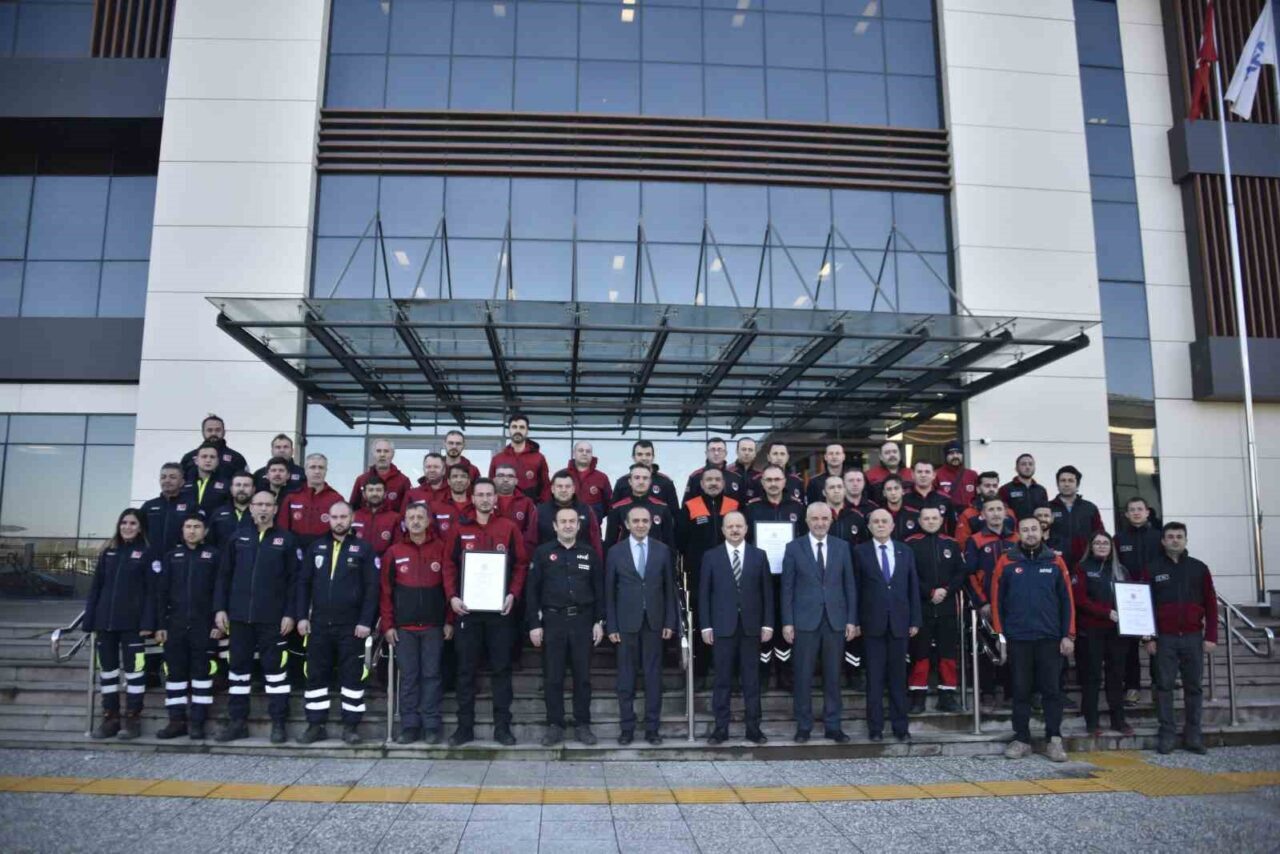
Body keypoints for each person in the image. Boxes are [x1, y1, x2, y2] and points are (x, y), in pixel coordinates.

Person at [443, 478, 529, 746]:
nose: (483, 499)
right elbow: (448, 565)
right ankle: (464, 728)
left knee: (501, 670)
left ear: (495, 499)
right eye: (479, 494)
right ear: (472, 498)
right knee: (466, 671)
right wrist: (452, 597)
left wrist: (513, 594)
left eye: (488, 495)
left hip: (500, 613)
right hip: (467, 612)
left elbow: (521, 564)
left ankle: (502, 727)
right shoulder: (459, 529)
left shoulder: (509, 527)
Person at [213, 491, 299, 744]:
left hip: (273, 619)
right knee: (238, 672)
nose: (263, 508)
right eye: (258, 504)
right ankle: (237, 722)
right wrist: (220, 608)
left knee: (275, 673)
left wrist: (290, 613)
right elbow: (224, 576)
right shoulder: (238, 537)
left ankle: (278, 723)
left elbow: (295, 582)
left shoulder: (286, 540)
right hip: (239, 618)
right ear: (250, 508)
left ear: (275, 509)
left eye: (268, 504)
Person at [991, 516, 1075, 763]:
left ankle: (1054, 739)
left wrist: (1068, 634)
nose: (1030, 533)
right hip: (1018, 638)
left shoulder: (1055, 561)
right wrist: (1000, 636)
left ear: (1042, 532)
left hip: (1049, 638)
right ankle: (1022, 739)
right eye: (1025, 529)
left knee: (1052, 690)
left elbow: (1067, 600)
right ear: (1018, 533)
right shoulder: (1006, 561)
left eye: (1034, 529)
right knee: (1020, 690)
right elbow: (997, 602)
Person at [297, 501, 379, 745]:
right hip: (319, 624)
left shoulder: (364, 549)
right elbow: (303, 584)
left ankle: (350, 727)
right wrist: (302, 616)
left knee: (352, 676)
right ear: (328, 519)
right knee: (315, 676)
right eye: (335, 516)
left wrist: (366, 621)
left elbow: (372, 589)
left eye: (344, 516)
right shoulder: (316, 547)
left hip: (352, 625)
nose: (339, 521)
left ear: (351, 518)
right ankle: (315, 725)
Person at [527, 506, 605, 746]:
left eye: (573, 521)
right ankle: (555, 725)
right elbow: (532, 591)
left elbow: (599, 590)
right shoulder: (542, 553)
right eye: (564, 521)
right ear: (555, 526)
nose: (568, 525)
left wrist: (598, 622)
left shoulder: (589, 553)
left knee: (582, 677)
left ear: (579, 525)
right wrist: (533, 624)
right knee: (553, 677)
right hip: (553, 621)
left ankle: (583, 725)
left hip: (582, 621)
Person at [781, 502, 857, 743]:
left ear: (831, 520)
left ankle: (833, 726)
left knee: (833, 677)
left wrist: (852, 620)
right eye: (815, 518)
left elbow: (850, 587)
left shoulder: (843, 547)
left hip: (835, 621)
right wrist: (787, 622)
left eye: (824, 518)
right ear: (807, 521)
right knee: (802, 675)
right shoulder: (793, 548)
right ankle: (804, 726)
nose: (820, 523)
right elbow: (787, 588)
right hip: (804, 621)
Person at [605, 504, 677, 745]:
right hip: (625, 624)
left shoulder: (663, 550)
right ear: (626, 524)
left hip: (655, 623)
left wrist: (670, 620)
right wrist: (611, 626)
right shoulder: (615, 552)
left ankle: (652, 729)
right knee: (626, 678)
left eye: (645, 521)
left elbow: (670, 588)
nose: (640, 525)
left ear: (651, 523)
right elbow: (609, 592)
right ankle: (627, 728)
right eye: (635, 521)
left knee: (653, 678)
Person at [382, 503, 453, 745]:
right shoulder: (394, 551)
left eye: (419, 517)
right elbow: (386, 592)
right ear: (404, 522)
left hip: (434, 627)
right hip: (405, 629)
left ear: (428, 521)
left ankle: (431, 725)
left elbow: (449, 588)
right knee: (409, 677)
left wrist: (449, 621)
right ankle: (410, 726)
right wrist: (388, 625)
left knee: (432, 676)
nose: (415, 521)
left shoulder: (441, 549)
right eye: (411, 517)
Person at [699, 511, 773, 745]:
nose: (734, 530)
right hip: (722, 627)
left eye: (738, 526)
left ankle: (754, 729)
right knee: (722, 680)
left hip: (751, 628)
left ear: (746, 529)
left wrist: (768, 623)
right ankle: (720, 729)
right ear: (722, 530)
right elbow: (704, 594)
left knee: (751, 680)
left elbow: (767, 594)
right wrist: (705, 626)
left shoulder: (759, 556)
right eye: (730, 526)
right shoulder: (711, 556)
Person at [85, 509, 156, 740]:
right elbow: (96, 587)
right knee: (108, 673)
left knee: (135, 672)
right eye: (124, 522)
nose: (127, 526)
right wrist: (90, 619)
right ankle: (110, 718)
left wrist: (148, 622)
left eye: (132, 523)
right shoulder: (109, 552)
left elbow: (151, 593)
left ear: (140, 527)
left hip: (133, 625)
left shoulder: (146, 553)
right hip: (105, 623)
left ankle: (133, 718)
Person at [1147, 522, 1217, 755]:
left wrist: (1211, 636)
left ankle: (1193, 736)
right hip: (1164, 639)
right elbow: (1145, 607)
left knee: (1194, 688)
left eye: (1179, 536)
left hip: (1193, 638)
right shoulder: (1153, 569)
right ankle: (1167, 734)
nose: (1175, 540)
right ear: (1163, 541)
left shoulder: (1199, 568)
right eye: (1170, 536)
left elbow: (1210, 604)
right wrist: (1148, 637)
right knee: (1164, 687)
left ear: (1186, 540)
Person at [854, 508, 921, 742]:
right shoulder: (860, 552)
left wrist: (914, 620)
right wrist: (855, 621)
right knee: (874, 679)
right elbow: (856, 589)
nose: (880, 525)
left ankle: (900, 727)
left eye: (885, 521)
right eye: (876, 521)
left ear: (893, 526)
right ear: (869, 526)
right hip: (872, 625)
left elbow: (913, 587)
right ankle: (875, 729)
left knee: (898, 678)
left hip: (900, 624)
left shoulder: (905, 551)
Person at [154, 514, 221, 740]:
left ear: (205, 531)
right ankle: (176, 721)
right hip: (175, 625)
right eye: (188, 527)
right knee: (175, 674)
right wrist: (160, 624)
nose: (192, 531)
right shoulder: (172, 557)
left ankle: (197, 722)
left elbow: (220, 591)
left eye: (197, 527)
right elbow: (161, 594)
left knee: (201, 673)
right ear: (182, 530)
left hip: (204, 625)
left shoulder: (213, 556)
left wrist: (217, 623)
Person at [745, 465, 806, 690]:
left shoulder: (797, 508)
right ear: (762, 483)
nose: (772, 483)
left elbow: (803, 540)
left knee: (785, 623)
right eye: (768, 479)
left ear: (784, 482)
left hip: (789, 575)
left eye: (777, 479)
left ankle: (784, 674)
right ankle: (761, 674)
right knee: (763, 623)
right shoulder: (752, 508)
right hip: (761, 575)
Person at [678, 467, 740, 686]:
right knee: (700, 624)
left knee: (731, 624)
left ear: (723, 482)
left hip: (731, 576)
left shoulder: (734, 505)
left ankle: (731, 676)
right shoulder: (690, 506)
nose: (713, 483)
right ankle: (701, 673)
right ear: (701, 484)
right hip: (698, 578)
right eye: (709, 480)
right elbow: (681, 543)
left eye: (717, 479)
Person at [1073, 531, 1136, 737]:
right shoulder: (1082, 568)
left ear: (1111, 547)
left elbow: (1132, 599)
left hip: (1117, 632)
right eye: (1097, 543)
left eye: (1105, 543)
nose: (1101, 546)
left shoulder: (1121, 570)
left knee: (1116, 676)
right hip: (1091, 631)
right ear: (1090, 547)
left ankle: (1118, 720)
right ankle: (1092, 722)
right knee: (1091, 677)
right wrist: (1105, 612)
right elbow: (1080, 599)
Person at [905, 506, 966, 713]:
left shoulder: (952, 543)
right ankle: (918, 697)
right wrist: (930, 592)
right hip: (921, 607)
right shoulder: (911, 544)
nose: (931, 521)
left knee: (947, 653)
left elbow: (961, 573)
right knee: (919, 654)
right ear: (920, 521)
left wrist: (946, 591)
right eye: (926, 518)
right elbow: (909, 574)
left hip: (947, 607)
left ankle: (947, 696)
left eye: (934, 518)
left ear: (941, 521)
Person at [963, 495, 1018, 707]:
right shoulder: (975, 540)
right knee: (986, 648)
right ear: (983, 515)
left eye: (999, 509)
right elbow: (969, 574)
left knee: (1013, 648)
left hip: (1014, 606)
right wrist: (981, 602)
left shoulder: (1016, 539)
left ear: (1005, 514)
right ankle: (987, 690)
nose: (995, 513)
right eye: (991, 510)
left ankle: (1012, 691)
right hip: (987, 606)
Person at [1115, 496, 1162, 705]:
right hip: (1129, 599)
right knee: (1130, 648)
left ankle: (1157, 686)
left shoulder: (1159, 537)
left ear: (1147, 512)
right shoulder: (1119, 539)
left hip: (1155, 597)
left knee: (1156, 645)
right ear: (1126, 514)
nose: (1136, 512)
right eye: (1131, 509)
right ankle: (1132, 687)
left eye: (1139, 509)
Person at [276, 453, 344, 550]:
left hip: (326, 552)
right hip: (295, 552)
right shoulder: (292, 498)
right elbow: (282, 530)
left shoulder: (336, 499)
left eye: (321, 468)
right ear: (305, 471)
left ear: (326, 471)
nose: (317, 471)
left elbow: (341, 532)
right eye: (313, 467)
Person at [535, 470, 604, 559]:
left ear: (573, 489)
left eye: (567, 486)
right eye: (559, 486)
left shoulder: (586, 510)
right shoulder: (540, 511)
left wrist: (597, 567)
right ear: (552, 489)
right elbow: (531, 543)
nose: (564, 490)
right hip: (548, 565)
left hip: (581, 565)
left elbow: (595, 542)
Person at [605, 464, 676, 548]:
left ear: (650, 481)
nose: (641, 481)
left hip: (656, 559)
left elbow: (669, 543)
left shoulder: (662, 508)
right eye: (637, 478)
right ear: (630, 481)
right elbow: (610, 542)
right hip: (625, 559)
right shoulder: (617, 509)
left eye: (645, 478)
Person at [1049, 465, 1104, 569]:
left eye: (1070, 481)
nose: (1066, 484)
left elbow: (1099, 534)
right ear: (1057, 484)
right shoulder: (1048, 508)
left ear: (1077, 484)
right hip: (1055, 562)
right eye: (1063, 480)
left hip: (1084, 563)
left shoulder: (1090, 508)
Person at [490, 413, 550, 502]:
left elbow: (546, 487)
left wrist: (541, 508)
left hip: (530, 511)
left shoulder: (539, 458)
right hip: (503, 511)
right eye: (514, 427)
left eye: (522, 427)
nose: (518, 430)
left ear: (527, 431)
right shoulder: (497, 459)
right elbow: (491, 486)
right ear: (509, 430)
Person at [611, 440, 680, 509]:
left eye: (648, 454)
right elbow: (613, 511)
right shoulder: (622, 482)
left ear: (653, 457)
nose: (644, 458)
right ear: (633, 457)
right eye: (640, 454)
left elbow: (674, 513)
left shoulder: (665, 482)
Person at [179, 414, 248, 482]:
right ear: (203, 432)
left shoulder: (237, 458)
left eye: (218, 430)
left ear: (224, 432)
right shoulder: (188, 458)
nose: (213, 433)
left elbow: (247, 483)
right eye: (209, 430)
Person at [350, 438, 411, 512]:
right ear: (373, 454)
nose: (382, 455)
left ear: (392, 454)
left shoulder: (403, 481)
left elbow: (408, 511)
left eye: (386, 451)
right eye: (378, 451)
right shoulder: (361, 480)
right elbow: (352, 509)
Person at [955, 471, 1011, 550]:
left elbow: (1015, 538)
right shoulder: (968, 514)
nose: (991, 489)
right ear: (978, 489)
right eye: (987, 486)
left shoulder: (1009, 512)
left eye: (994, 486)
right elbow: (962, 543)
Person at [141, 462, 191, 551]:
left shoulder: (191, 505)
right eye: (163, 477)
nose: (167, 480)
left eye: (172, 477)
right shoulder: (148, 506)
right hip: (152, 560)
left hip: (179, 560)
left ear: (182, 482)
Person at [351, 473, 402, 558]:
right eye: (371, 490)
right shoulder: (353, 516)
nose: (374, 493)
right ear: (364, 494)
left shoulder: (395, 518)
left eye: (378, 490)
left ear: (385, 493)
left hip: (383, 566)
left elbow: (398, 547)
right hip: (357, 566)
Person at [494, 462, 540, 554]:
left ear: (516, 481)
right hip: (491, 552)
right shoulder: (486, 500)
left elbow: (531, 531)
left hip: (518, 552)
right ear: (494, 479)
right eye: (501, 475)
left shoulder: (527, 502)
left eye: (510, 476)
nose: (505, 479)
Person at [684, 437, 745, 502]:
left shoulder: (736, 477)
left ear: (725, 453)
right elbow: (687, 505)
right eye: (713, 450)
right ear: (706, 453)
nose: (716, 453)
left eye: (720, 450)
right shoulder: (696, 477)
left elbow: (742, 506)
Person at [181, 442, 231, 517]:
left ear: (217, 461)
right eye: (204, 456)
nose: (208, 460)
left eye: (212, 457)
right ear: (196, 461)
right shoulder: (184, 484)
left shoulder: (227, 486)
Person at [903, 460, 954, 533]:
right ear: (913, 475)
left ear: (934, 475)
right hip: (910, 543)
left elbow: (952, 527)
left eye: (927, 472)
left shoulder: (945, 499)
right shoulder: (904, 498)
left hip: (938, 543)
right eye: (919, 472)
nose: (923, 475)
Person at [567, 440, 612, 521]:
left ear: (591, 455)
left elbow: (608, 505)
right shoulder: (562, 475)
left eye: (588, 451)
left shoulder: (602, 477)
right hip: (566, 528)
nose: (584, 453)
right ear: (574, 453)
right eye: (581, 450)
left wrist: (596, 517)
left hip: (593, 530)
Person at [208, 471, 254, 547]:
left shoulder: (260, 514)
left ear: (253, 489)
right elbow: (210, 543)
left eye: (246, 485)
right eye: (238, 485)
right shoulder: (218, 514)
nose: (241, 489)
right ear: (231, 489)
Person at [429, 463, 475, 536]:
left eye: (463, 476)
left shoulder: (476, 506)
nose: (459, 480)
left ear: (468, 481)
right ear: (448, 481)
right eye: (455, 476)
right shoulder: (436, 506)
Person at [999, 454, 1048, 521]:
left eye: (1030, 464)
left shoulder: (1041, 490)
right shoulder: (1005, 489)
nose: (1027, 467)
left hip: (1035, 530)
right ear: (1016, 468)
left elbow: (1045, 513)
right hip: (1015, 530)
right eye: (1023, 464)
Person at [936, 440, 978, 505]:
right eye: (951, 453)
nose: (955, 456)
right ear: (946, 456)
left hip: (968, 514)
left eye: (958, 453)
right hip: (947, 514)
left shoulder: (972, 475)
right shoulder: (937, 474)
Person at [878, 476, 921, 540]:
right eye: (889, 489)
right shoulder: (878, 515)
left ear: (903, 491)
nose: (893, 493)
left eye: (896, 488)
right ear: (884, 493)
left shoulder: (915, 515)